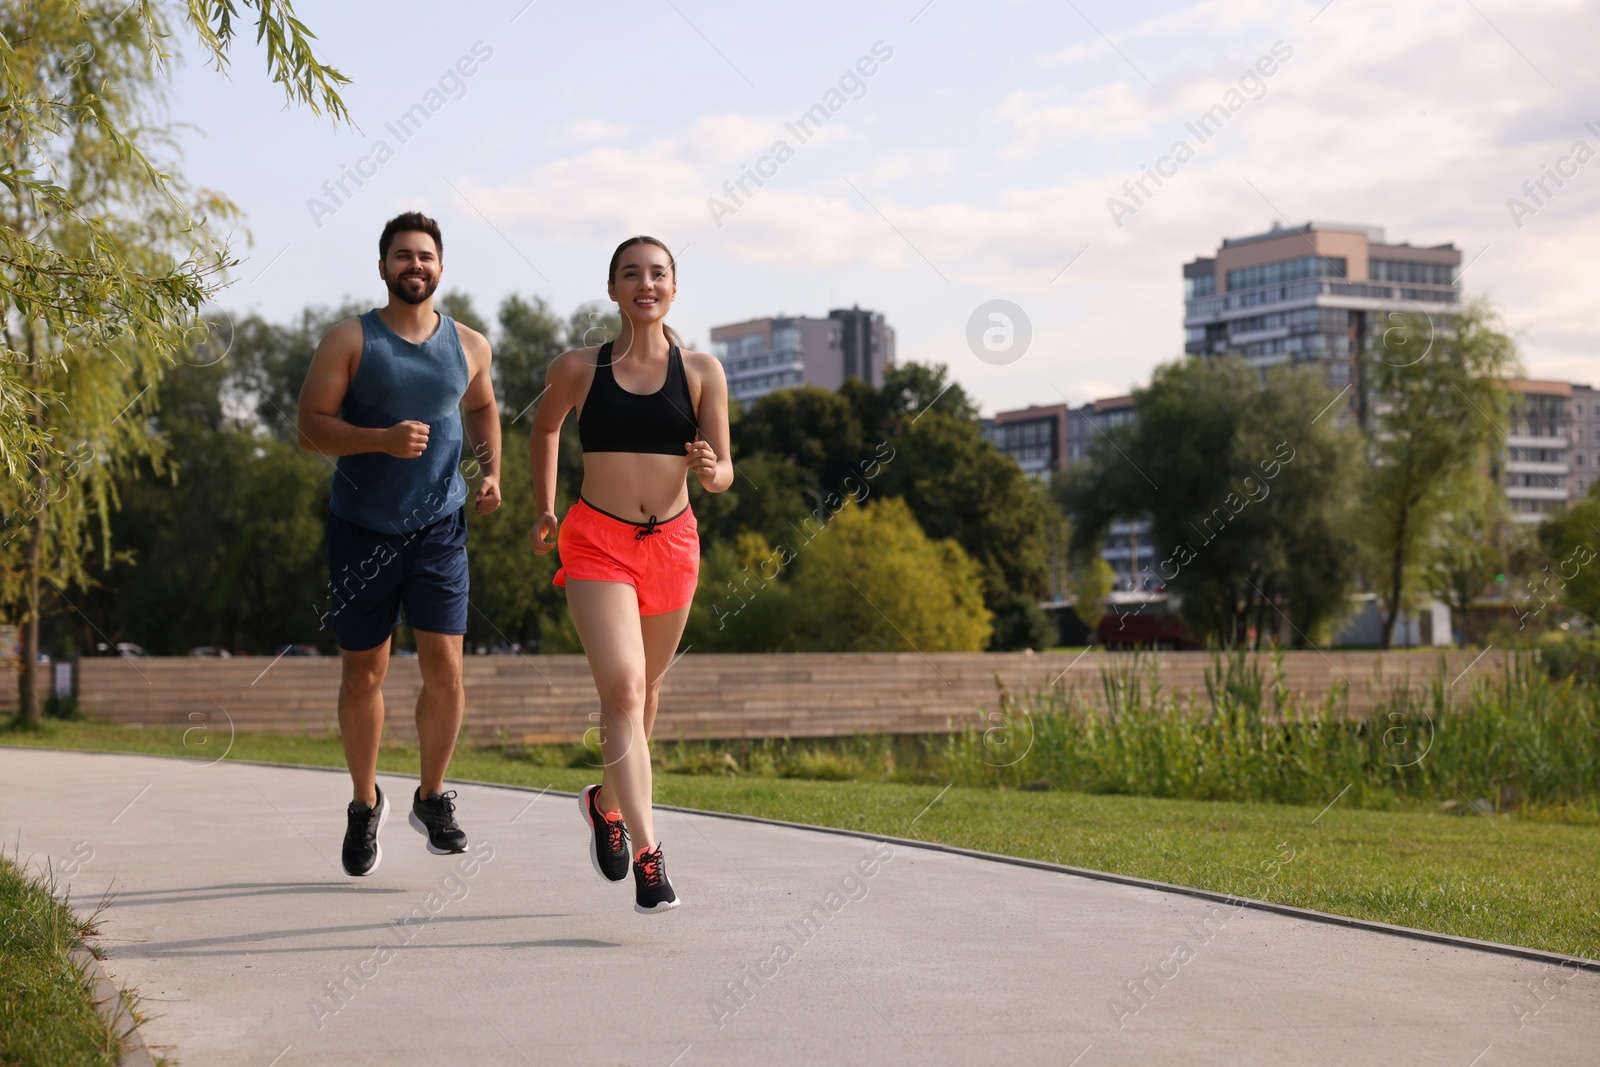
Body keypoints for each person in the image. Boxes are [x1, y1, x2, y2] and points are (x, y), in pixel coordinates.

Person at [529, 236, 732, 913]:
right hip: (597, 543)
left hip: (672, 545)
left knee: (644, 699)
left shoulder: (702, 370)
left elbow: (725, 470)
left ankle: (605, 804)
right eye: (631, 274)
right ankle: (651, 857)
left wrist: (712, 471)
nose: (645, 283)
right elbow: (545, 427)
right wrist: (544, 506)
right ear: (613, 288)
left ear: (673, 287)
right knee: (622, 690)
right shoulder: (579, 368)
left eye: (658, 273)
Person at [296, 210, 502, 877]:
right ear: (383, 266)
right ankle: (364, 803)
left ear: (441, 266)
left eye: (426, 256)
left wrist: (491, 468)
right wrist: (378, 440)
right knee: (366, 673)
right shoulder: (349, 340)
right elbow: (309, 428)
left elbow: (480, 407)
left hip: (440, 528)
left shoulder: (471, 345)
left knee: (446, 669)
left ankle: (432, 796)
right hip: (362, 528)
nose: (415, 265)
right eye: (403, 256)